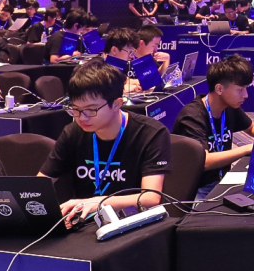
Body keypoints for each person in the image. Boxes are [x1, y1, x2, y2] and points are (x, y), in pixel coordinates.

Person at [38, 62, 168, 226]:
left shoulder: (151, 133)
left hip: (134, 222)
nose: (82, 117)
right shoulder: (73, 132)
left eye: (91, 110)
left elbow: (151, 198)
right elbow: (40, 184)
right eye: (75, 109)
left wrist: (99, 202)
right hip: (83, 222)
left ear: (117, 104)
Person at [171, 55, 254, 189]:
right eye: (240, 89)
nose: (246, 95)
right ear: (219, 89)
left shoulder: (229, 106)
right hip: (195, 188)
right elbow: (204, 161)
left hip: (222, 180)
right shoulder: (192, 117)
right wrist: (246, 149)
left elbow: (251, 128)